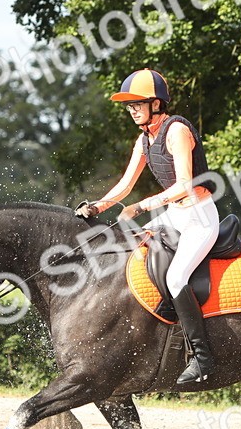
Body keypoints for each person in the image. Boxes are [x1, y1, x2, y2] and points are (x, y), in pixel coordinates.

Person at [75, 68, 220, 385]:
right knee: (131, 255)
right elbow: (125, 185)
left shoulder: (176, 130)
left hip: (199, 215)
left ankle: (202, 358)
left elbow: (185, 184)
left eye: (137, 104)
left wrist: (144, 206)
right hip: (174, 214)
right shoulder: (144, 140)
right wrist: (98, 205)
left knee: (176, 276)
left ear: (157, 103)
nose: (132, 111)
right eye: (129, 106)